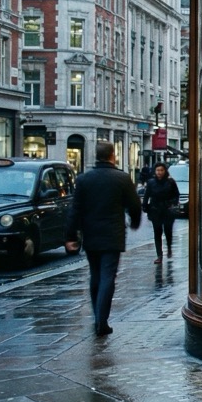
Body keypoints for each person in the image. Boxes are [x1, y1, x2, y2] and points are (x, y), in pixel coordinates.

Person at [65, 141, 142, 337]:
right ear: (112, 155)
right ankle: (102, 320)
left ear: (96, 156)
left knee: (95, 275)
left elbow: (75, 210)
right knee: (108, 276)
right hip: (112, 234)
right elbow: (135, 205)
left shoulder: (84, 179)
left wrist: (71, 236)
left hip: (91, 234)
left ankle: (97, 317)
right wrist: (134, 221)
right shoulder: (122, 178)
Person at [142, 161, 179, 263]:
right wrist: (145, 206)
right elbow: (146, 195)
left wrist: (173, 203)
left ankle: (169, 247)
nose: (159, 172)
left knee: (168, 231)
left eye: (161, 170)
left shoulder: (170, 182)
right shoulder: (151, 182)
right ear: (155, 171)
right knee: (157, 232)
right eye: (157, 170)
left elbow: (176, 195)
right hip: (155, 210)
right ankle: (159, 255)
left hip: (167, 210)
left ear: (165, 171)